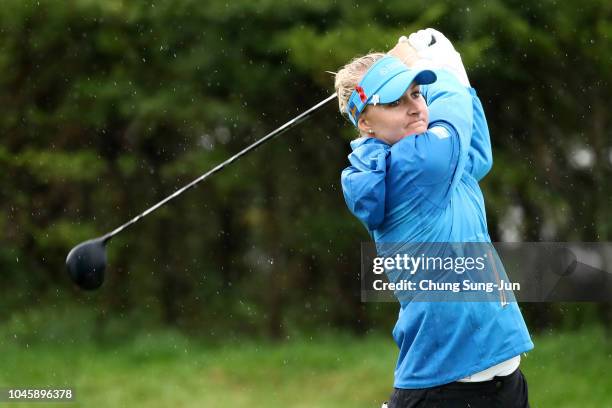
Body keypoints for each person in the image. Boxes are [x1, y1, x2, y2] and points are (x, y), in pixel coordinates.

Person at [334, 29, 534, 407]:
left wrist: (453, 73)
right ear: (365, 123)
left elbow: (476, 153)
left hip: (500, 380)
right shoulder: (415, 165)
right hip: (448, 388)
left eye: (416, 93)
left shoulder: (435, 163)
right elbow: (454, 111)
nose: (414, 107)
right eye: (395, 101)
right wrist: (433, 64)